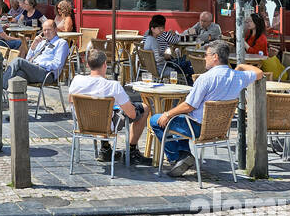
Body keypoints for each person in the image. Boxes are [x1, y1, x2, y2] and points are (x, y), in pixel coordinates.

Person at [148, 41, 264, 177]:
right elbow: (259, 73)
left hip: (198, 127)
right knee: (179, 117)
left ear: (215, 57)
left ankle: (177, 157)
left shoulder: (205, 78)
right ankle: (184, 157)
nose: (204, 58)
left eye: (206, 55)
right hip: (220, 129)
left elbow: (189, 105)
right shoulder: (238, 77)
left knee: (156, 120)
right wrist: (240, 66)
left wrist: (167, 114)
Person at [68, 46, 153, 166]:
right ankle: (131, 151)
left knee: (102, 111)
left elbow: (70, 100)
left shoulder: (76, 80)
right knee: (143, 108)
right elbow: (132, 114)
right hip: (107, 125)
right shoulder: (113, 86)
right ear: (104, 65)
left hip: (83, 123)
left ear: (88, 65)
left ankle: (105, 148)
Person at [2, 18, 70, 92]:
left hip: (47, 74)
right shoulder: (42, 42)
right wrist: (33, 46)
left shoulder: (61, 43)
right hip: (35, 71)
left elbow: (57, 64)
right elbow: (28, 59)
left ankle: (0, 90)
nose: (46, 32)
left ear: (55, 29)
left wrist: (38, 63)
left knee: (18, 61)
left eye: (49, 29)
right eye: (44, 30)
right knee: (19, 75)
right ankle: (13, 101)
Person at [142, 14, 193, 82]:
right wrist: (165, 57)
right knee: (190, 67)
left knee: (186, 64)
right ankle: (190, 86)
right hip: (162, 68)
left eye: (162, 28)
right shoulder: (155, 40)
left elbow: (155, 55)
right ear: (152, 29)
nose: (162, 30)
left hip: (153, 68)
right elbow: (158, 59)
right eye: (159, 28)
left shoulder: (148, 37)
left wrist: (163, 54)